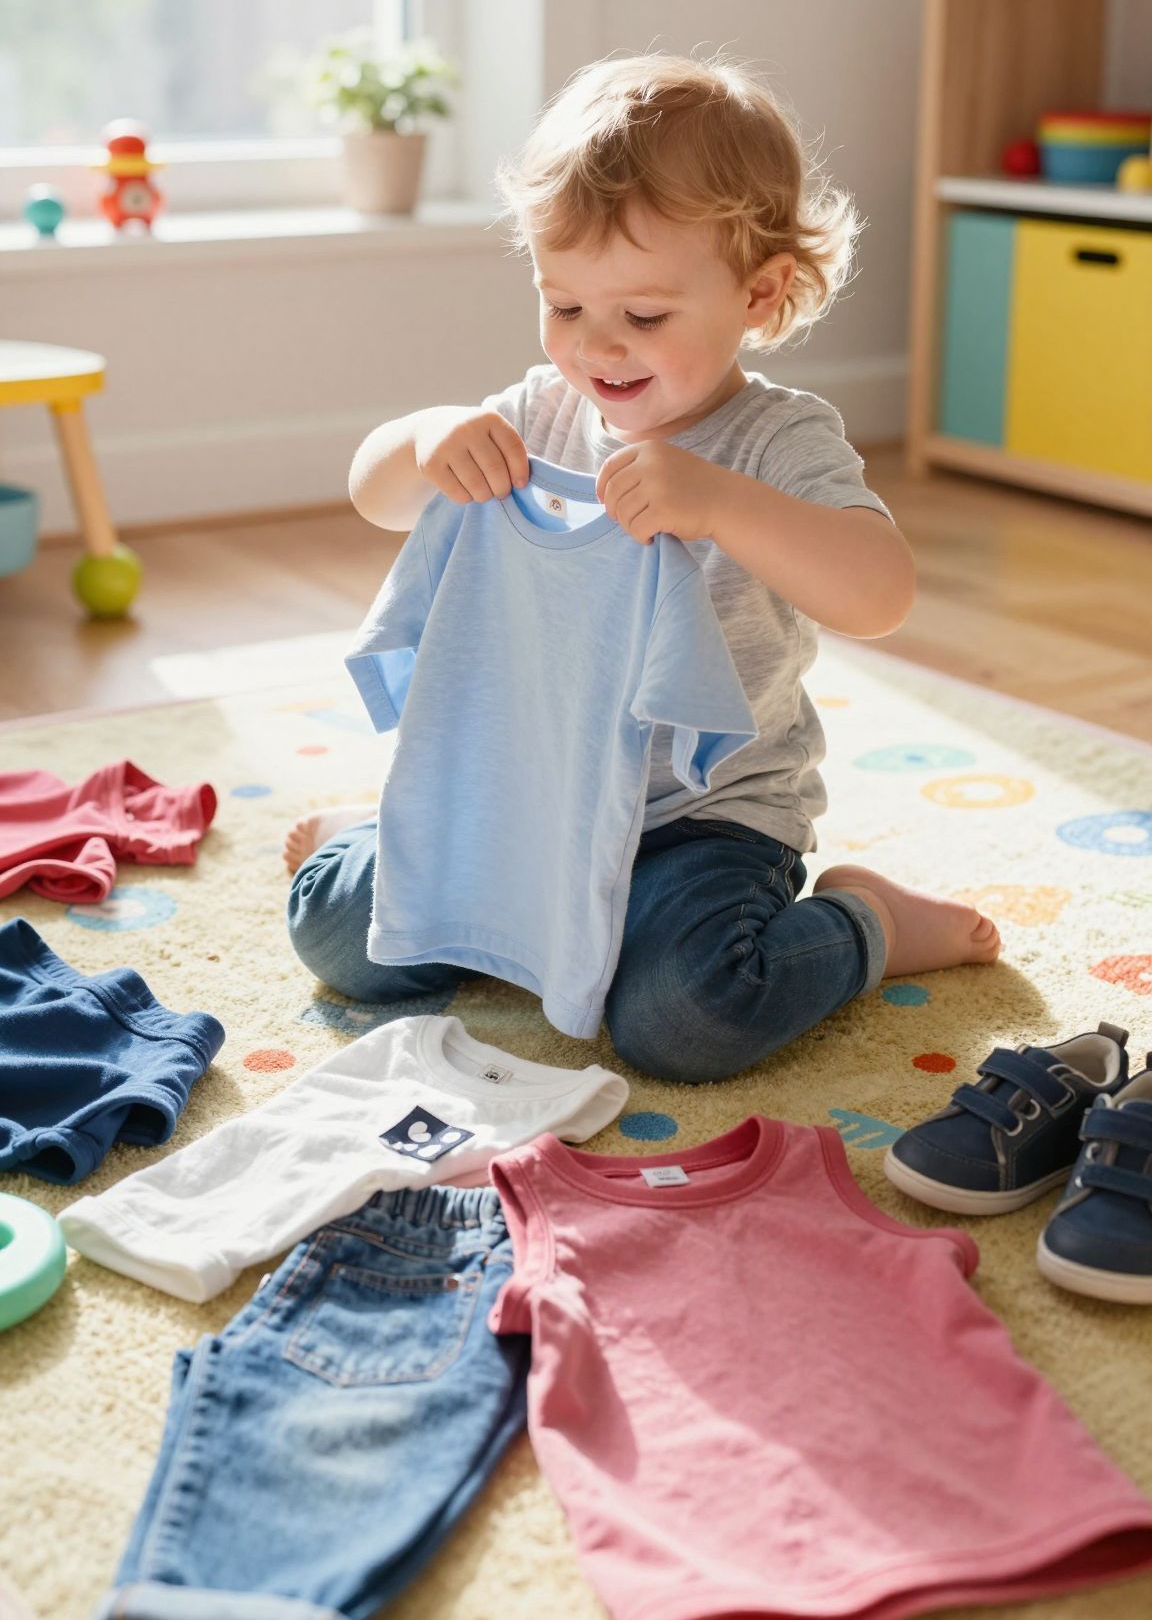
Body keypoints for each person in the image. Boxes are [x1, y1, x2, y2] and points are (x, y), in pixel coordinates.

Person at [284, 53, 998, 1083]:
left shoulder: (777, 440)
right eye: (564, 305)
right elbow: (376, 495)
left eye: (645, 315)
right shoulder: (537, 411)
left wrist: (723, 503)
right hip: (523, 796)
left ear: (761, 294)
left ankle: (868, 920)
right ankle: (373, 828)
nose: (596, 347)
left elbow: (880, 592)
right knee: (338, 939)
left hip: (703, 825)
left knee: (683, 1015)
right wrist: (427, 437)